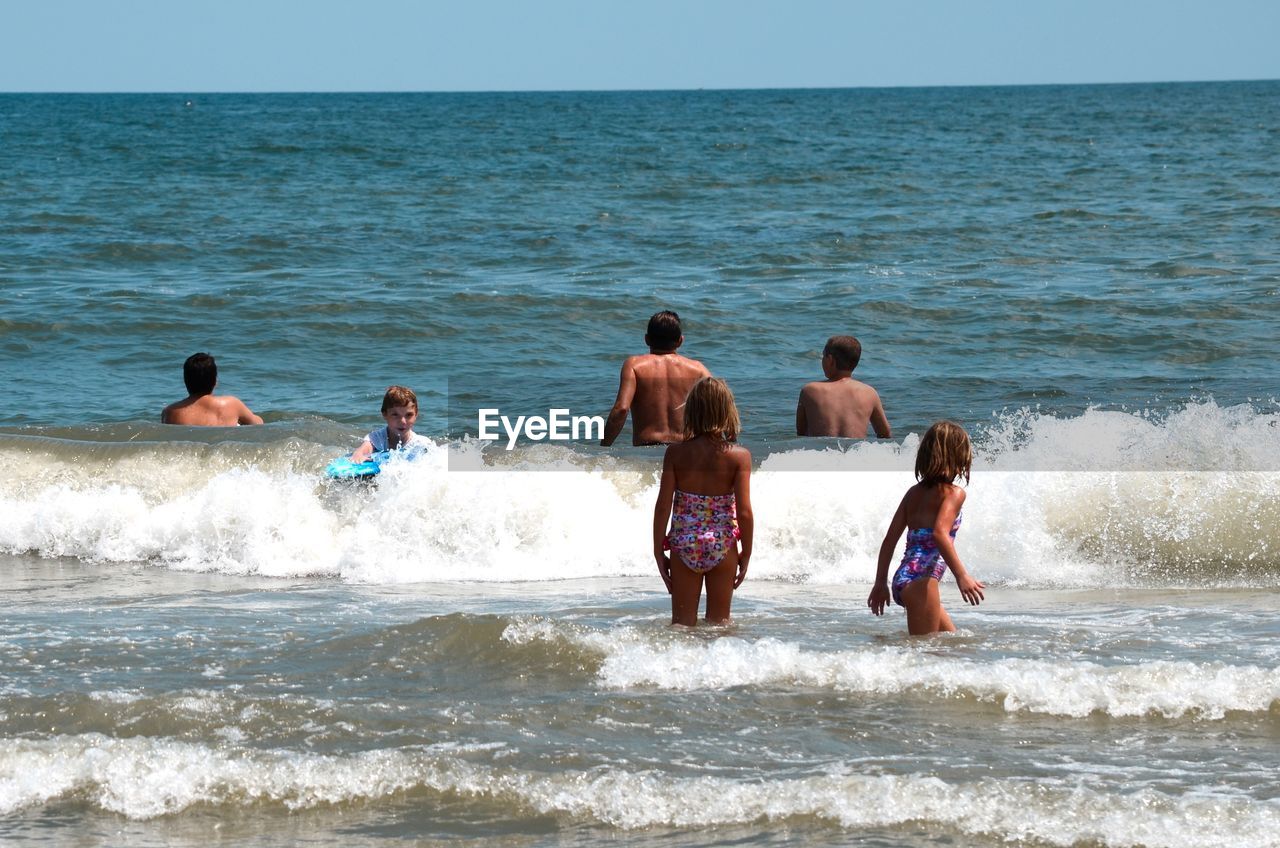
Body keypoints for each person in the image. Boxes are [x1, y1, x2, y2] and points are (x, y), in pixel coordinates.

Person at [652, 377, 753, 626]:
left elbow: (663, 505)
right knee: (720, 626)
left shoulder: (676, 453)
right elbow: (745, 512)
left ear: (692, 412)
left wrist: (657, 550)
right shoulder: (739, 457)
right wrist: (746, 553)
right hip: (722, 543)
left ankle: (680, 665)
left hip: (684, 543)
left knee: (682, 626)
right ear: (728, 410)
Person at [868, 421, 984, 635]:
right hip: (922, 581)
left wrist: (880, 583)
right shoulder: (954, 493)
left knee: (952, 648)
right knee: (925, 653)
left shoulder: (913, 493)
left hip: (904, 578)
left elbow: (889, 541)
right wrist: (962, 576)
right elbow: (940, 534)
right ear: (959, 456)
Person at [602, 310, 711, 446]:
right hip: (685, 451)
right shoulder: (698, 369)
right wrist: (729, 442)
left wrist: (603, 448)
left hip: (646, 450)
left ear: (646, 339)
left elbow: (621, 409)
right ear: (680, 341)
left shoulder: (634, 365)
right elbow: (719, 408)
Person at [796, 335, 891, 438]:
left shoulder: (810, 390)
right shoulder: (869, 392)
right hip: (856, 452)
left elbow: (801, 433)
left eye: (823, 356)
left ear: (831, 360)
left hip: (822, 452)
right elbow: (885, 433)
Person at [161, 352, 263, 426]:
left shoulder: (169, 412)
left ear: (185, 381)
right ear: (215, 381)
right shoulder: (231, 404)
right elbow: (257, 424)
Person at [351, 385, 426, 462]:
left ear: (416, 414)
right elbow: (363, 450)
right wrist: (359, 455)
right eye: (395, 415)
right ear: (385, 414)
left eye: (409, 415)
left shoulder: (421, 443)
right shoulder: (376, 438)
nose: (403, 421)